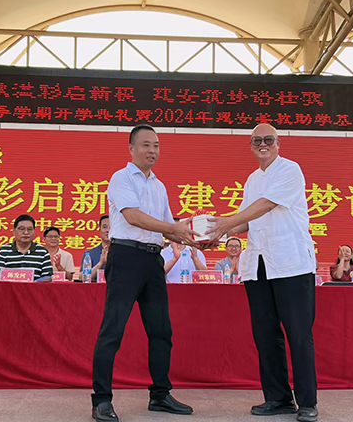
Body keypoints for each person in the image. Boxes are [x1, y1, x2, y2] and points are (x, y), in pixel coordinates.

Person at [206, 124, 318, 422]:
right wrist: (218, 233)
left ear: (278, 143)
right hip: (258, 266)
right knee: (266, 335)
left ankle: (307, 402)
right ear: (251, 145)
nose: (263, 144)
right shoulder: (252, 179)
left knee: (298, 335)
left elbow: (266, 205)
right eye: (257, 141)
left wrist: (226, 221)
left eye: (269, 140)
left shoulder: (290, 170)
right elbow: (246, 221)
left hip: (291, 264)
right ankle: (278, 398)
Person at [91, 125, 197, 422]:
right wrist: (174, 228)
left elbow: (169, 228)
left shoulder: (159, 185)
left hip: (153, 260)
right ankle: (101, 400)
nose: (152, 151)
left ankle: (160, 395)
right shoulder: (121, 178)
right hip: (126, 257)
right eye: (146, 145)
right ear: (131, 148)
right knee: (113, 329)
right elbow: (133, 216)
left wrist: (196, 239)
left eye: (157, 145)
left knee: (161, 330)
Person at [0, 215, 53, 282]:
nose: (26, 232)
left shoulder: (42, 251)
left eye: (30, 229)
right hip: (9, 288)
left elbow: (47, 277)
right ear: (14, 231)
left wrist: (32, 284)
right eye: (21, 229)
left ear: (34, 231)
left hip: (34, 288)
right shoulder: (3, 251)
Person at [83, 215, 110, 281]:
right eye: (104, 227)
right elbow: (83, 277)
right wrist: (100, 263)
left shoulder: (123, 253)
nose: (108, 230)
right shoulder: (89, 254)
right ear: (99, 230)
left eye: (111, 227)